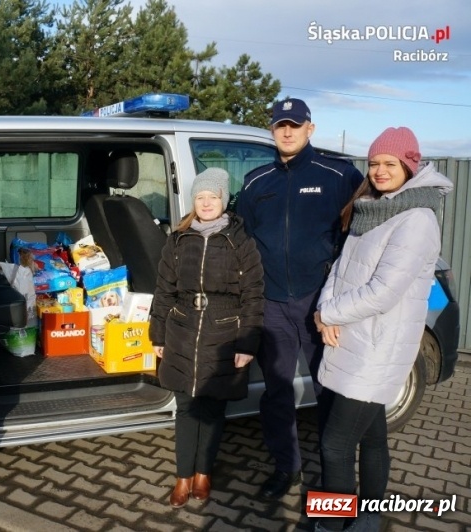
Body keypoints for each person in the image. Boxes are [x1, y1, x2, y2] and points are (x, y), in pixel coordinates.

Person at [313, 127, 453, 531]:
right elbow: (340, 269)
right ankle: (368, 517)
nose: (379, 171)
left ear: (409, 166)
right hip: (352, 340)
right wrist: (324, 309)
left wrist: (329, 315)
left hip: (376, 348)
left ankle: (331, 526)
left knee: (335, 445)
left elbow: (383, 292)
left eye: (390, 163)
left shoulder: (417, 219)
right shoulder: (373, 209)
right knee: (372, 436)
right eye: (374, 163)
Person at [236, 98, 365, 501]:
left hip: (319, 304)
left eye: (295, 125)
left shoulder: (339, 175)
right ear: (272, 130)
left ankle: (333, 476)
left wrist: (339, 299)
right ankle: (286, 468)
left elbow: (360, 239)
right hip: (272, 303)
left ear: (310, 128)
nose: (287, 131)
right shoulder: (256, 182)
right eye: (281, 125)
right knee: (277, 392)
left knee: (329, 390)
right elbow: (243, 241)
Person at [149, 168, 264, 508]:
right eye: (200, 197)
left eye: (213, 197)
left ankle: (203, 473)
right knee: (185, 408)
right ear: (193, 201)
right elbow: (164, 291)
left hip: (224, 331)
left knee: (213, 409)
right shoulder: (178, 239)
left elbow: (253, 296)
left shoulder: (241, 241)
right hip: (182, 329)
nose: (207, 203)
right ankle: (183, 476)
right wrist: (158, 334)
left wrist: (247, 343)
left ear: (224, 200)